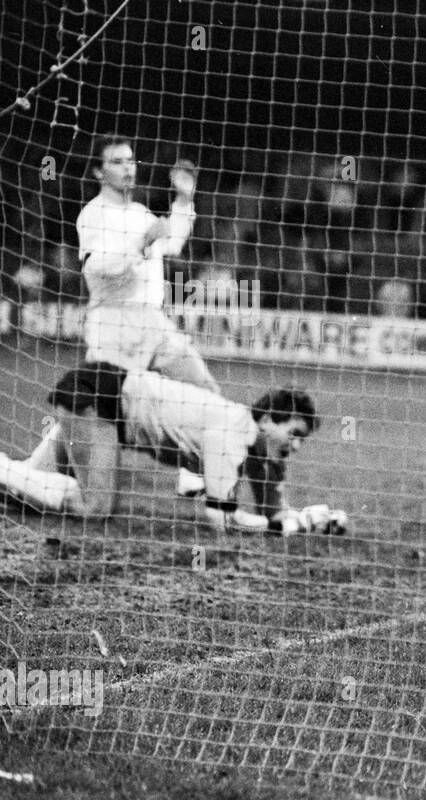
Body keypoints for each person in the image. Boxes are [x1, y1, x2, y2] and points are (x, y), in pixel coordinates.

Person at [0, 361, 345, 535]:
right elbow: (221, 519)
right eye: (295, 434)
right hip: (98, 399)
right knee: (96, 505)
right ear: (268, 419)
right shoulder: (232, 436)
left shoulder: (265, 454)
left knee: (17, 495)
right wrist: (287, 527)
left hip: (105, 398)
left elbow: (274, 512)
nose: (297, 446)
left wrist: (310, 519)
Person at [72, 136, 217, 497]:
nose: (127, 167)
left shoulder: (139, 213)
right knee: (101, 418)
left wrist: (184, 200)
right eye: (117, 161)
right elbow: (97, 267)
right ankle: (32, 472)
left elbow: (172, 242)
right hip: (113, 327)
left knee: (204, 391)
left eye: (130, 160)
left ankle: (193, 472)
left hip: (153, 322)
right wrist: (139, 243)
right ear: (98, 171)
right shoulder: (93, 215)